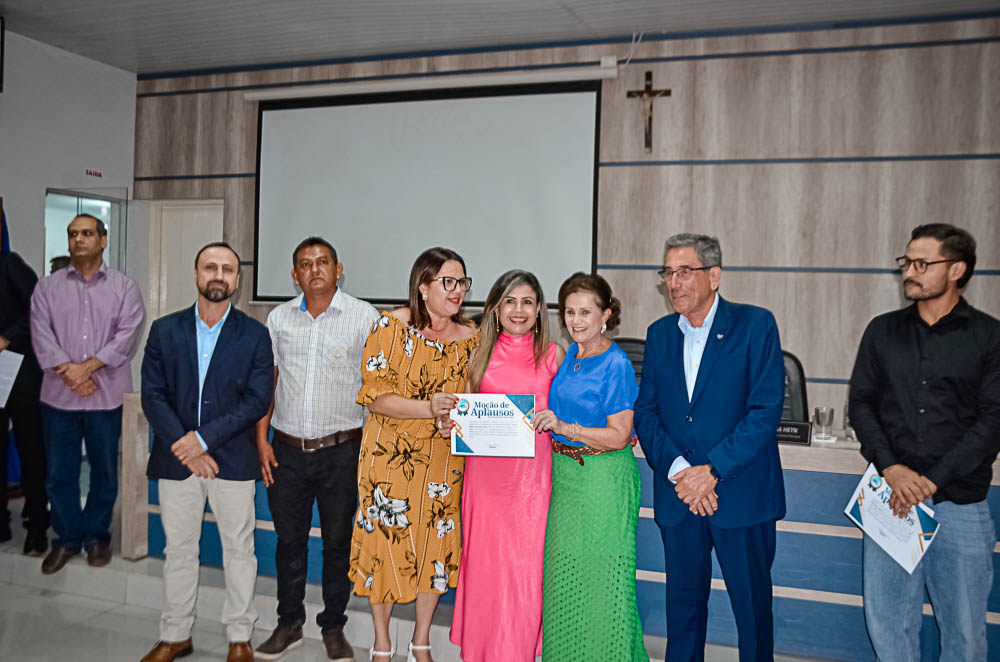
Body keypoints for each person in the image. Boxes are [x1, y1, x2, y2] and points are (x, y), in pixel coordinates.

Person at [849, 223, 999, 662]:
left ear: (957, 270)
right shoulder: (882, 331)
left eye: (921, 263)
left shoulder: (990, 337)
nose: (909, 272)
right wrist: (892, 469)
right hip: (887, 498)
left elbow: (992, 423)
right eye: (906, 262)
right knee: (889, 625)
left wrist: (929, 481)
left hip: (960, 505)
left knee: (965, 634)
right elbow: (861, 404)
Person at [634, 233, 786, 662]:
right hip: (681, 495)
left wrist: (711, 471)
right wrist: (682, 470)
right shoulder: (660, 334)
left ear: (714, 275)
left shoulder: (756, 325)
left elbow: (764, 411)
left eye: (685, 271)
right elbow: (647, 414)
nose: (674, 282)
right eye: (668, 273)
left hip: (739, 495)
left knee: (752, 613)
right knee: (682, 613)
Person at [140, 242, 274, 662]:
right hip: (177, 460)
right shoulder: (164, 329)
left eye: (227, 269)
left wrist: (202, 440)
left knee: (239, 549)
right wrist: (187, 447)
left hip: (231, 461)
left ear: (238, 279)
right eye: (210, 267)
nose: (219, 275)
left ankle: (239, 636)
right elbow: (152, 394)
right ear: (196, 273)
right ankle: (175, 635)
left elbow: (256, 400)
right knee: (179, 549)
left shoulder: (255, 334)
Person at [350, 247, 477, 662]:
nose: (457, 291)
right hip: (389, 457)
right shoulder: (390, 326)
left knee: (434, 547)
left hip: (444, 461)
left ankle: (420, 639)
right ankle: (382, 640)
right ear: (423, 286)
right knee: (386, 542)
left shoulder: (472, 338)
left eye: (462, 282)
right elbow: (375, 395)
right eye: (448, 282)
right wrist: (429, 409)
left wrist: (455, 419)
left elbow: (472, 399)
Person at [254, 237, 378, 661]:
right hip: (286, 450)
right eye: (305, 265)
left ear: (338, 269)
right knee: (289, 541)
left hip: (342, 451)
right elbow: (267, 385)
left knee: (338, 541)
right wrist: (261, 440)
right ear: (295, 275)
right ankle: (289, 623)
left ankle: (333, 626)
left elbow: (378, 388)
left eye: (323, 262)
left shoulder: (364, 317)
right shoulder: (278, 319)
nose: (315, 270)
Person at [532, 272, 647, 662]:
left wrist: (567, 428)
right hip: (566, 482)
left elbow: (619, 435)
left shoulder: (615, 363)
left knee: (604, 585)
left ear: (606, 314)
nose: (576, 320)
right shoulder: (571, 356)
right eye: (569, 312)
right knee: (565, 584)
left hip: (603, 482)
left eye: (586, 312)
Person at [450, 270, 563, 662]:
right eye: (510, 301)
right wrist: (452, 420)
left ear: (539, 309)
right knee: (487, 572)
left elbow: (569, 414)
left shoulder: (553, 355)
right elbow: (460, 412)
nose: (519, 310)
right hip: (485, 485)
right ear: (495, 308)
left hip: (533, 487)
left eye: (527, 302)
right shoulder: (475, 353)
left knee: (525, 576)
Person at [30, 213, 145, 573]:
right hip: (58, 397)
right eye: (72, 234)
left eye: (86, 233)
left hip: (106, 395)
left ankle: (96, 537)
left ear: (103, 240)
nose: (79, 239)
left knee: (104, 471)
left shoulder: (125, 288)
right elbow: (40, 335)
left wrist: (88, 367)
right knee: (59, 473)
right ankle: (66, 539)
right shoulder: (46, 288)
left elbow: (126, 336)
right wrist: (71, 371)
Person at [0, 250, 48, 555]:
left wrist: (6, 338)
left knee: (30, 447)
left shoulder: (9, 263)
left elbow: (38, 311)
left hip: (17, 369)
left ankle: (37, 524)